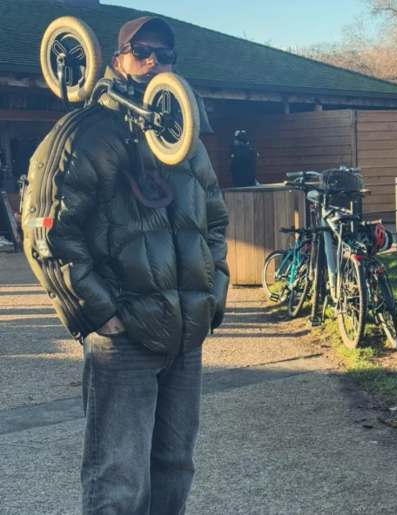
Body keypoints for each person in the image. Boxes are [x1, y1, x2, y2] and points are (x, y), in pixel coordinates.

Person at [22, 16, 229, 515]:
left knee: (175, 468)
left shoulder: (186, 138)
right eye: (143, 50)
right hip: (124, 337)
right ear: (117, 58)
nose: (155, 60)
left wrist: (214, 291)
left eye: (166, 53)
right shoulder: (85, 134)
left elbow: (216, 220)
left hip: (186, 334)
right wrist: (98, 313)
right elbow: (46, 230)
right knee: (117, 478)